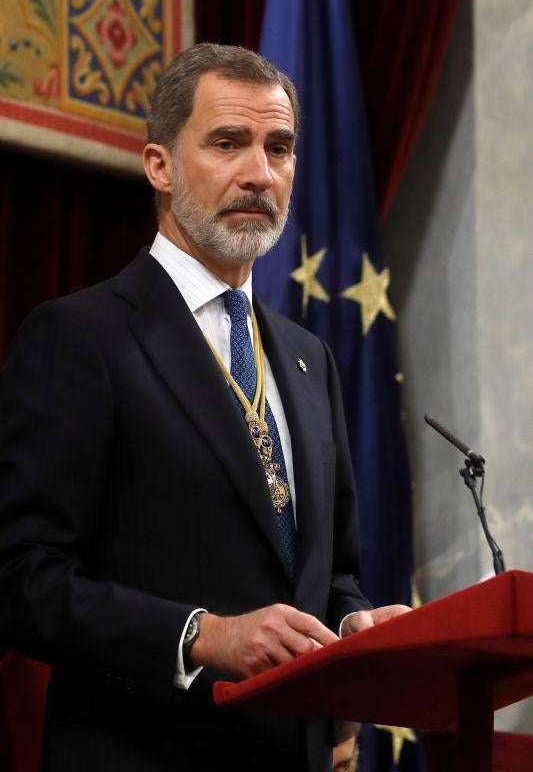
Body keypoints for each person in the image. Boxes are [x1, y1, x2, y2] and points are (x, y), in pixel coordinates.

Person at [0, 43, 409, 772]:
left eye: (278, 148)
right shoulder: (80, 337)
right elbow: (21, 577)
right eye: (228, 143)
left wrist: (355, 625)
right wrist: (199, 635)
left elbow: (331, 569)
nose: (259, 173)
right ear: (158, 165)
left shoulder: (309, 358)